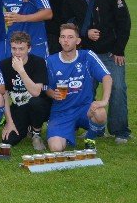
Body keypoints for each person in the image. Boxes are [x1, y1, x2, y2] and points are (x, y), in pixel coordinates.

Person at [62, 0, 131, 144]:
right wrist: (84, 33)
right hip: (86, 53)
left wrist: (119, 49)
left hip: (111, 52)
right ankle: (92, 127)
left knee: (117, 88)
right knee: (85, 91)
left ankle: (120, 131)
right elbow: (68, 20)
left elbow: (124, 22)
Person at [44, 23, 112, 152]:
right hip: (62, 112)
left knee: (100, 112)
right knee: (56, 148)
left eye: (70, 37)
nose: (66, 40)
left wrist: (104, 101)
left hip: (84, 109)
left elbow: (106, 77)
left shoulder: (87, 56)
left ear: (78, 40)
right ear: (59, 40)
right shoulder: (51, 61)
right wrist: (52, 94)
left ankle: (90, 139)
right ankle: (66, 132)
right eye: (63, 37)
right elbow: (45, 87)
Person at [0, 31, 52, 150]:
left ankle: (36, 134)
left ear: (29, 49)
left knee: (36, 102)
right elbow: (4, 94)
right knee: (8, 140)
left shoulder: (38, 62)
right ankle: (27, 127)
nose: (17, 52)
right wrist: (9, 122)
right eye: (14, 48)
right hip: (19, 106)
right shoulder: (4, 64)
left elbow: (36, 92)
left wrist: (21, 71)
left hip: (39, 106)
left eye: (21, 49)